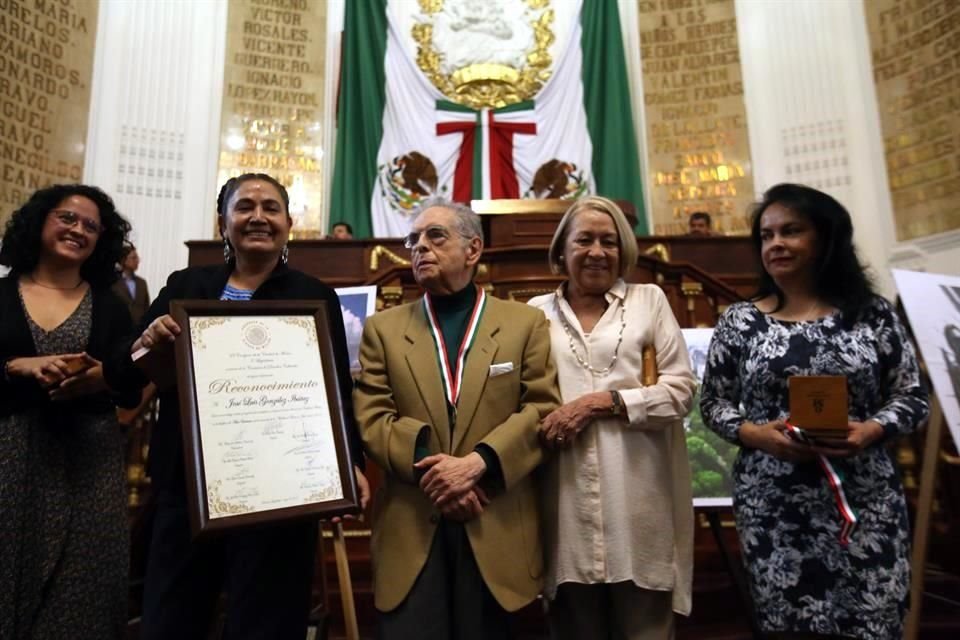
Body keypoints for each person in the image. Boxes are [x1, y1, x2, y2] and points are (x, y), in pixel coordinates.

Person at [110, 173, 369, 640]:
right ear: (223, 222)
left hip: (282, 491)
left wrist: (347, 462)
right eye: (244, 206)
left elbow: (335, 389)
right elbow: (124, 372)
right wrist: (146, 343)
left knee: (266, 623)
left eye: (271, 208)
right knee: (172, 618)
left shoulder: (314, 296)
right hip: (187, 487)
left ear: (289, 224)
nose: (258, 217)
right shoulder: (185, 286)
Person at [699, 183, 929, 639]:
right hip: (773, 504)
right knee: (792, 625)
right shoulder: (740, 321)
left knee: (873, 620)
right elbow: (712, 403)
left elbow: (913, 397)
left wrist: (871, 430)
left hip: (864, 498)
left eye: (791, 231)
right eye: (766, 235)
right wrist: (755, 434)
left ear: (825, 238)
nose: (776, 244)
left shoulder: (872, 315)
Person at [353, 197, 561, 639]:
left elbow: (541, 409)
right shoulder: (382, 330)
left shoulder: (525, 323)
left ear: (473, 249)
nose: (419, 247)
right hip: (412, 527)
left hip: (495, 521)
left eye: (435, 236)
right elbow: (372, 418)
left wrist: (477, 465)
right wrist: (440, 476)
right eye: (413, 240)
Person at [528, 195, 697, 640]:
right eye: (584, 240)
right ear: (561, 249)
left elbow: (681, 392)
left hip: (639, 500)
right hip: (564, 504)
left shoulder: (649, 301)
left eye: (609, 241)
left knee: (645, 628)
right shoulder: (534, 313)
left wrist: (600, 403)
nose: (597, 252)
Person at [0, 184, 137, 639]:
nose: (79, 229)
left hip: (88, 466)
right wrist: (14, 366)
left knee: (83, 593)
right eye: (67, 218)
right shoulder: (1, 294)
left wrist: (103, 377)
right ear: (39, 221)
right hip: (10, 459)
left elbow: (131, 385)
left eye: (92, 227)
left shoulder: (112, 308)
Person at [112, 242, 150, 324]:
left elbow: (146, 308)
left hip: (139, 328)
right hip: (119, 326)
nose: (138, 261)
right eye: (134, 258)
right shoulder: (114, 282)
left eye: (137, 258)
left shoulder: (142, 283)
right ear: (124, 260)